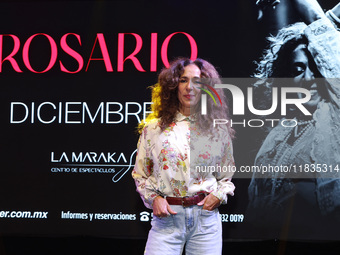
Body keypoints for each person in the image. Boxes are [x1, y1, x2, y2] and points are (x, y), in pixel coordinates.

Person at [248, 0, 340, 229]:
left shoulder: (336, 115)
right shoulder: (280, 133)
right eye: (298, 70)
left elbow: (324, 31)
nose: (309, 79)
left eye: (317, 69)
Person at [132, 57, 235, 255]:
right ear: (173, 86)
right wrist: (154, 199)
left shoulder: (218, 129)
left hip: (205, 222)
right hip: (167, 221)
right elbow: (140, 175)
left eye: (197, 81)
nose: (190, 87)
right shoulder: (153, 129)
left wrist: (218, 196)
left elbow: (226, 178)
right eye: (183, 80)